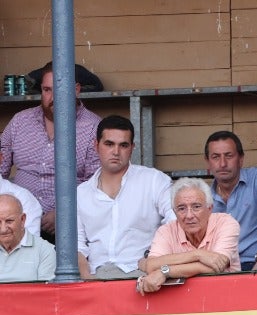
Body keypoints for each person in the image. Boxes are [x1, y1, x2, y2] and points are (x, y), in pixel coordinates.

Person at [0, 63, 99, 239]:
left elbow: (97, 185)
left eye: (60, 90)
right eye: (47, 90)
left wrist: (64, 213)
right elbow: (0, 169)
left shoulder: (93, 127)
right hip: (17, 225)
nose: (53, 97)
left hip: (72, 226)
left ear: (76, 90)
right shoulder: (20, 122)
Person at [75, 115, 174, 279]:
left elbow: (174, 222)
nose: (116, 152)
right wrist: (88, 281)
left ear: (132, 147)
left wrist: (154, 263)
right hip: (96, 276)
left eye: (123, 145)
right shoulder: (81, 193)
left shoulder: (154, 181)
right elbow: (76, 246)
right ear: (96, 145)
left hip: (143, 274)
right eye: (109, 144)